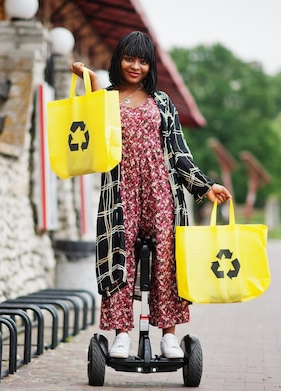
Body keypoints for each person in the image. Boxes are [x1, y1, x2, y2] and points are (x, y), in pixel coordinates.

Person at [71, 31, 231, 359]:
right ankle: (121, 335)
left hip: (162, 193)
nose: (136, 66)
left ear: (150, 65)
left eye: (143, 61)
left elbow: (179, 153)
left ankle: (169, 336)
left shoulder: (162, 102)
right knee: (120, 261)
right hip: (119, 192)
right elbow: (80, 125)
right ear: (119, 60)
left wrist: (205, 185)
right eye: (129, 58)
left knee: (167, 262)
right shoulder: (105, 98)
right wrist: (85, 77)